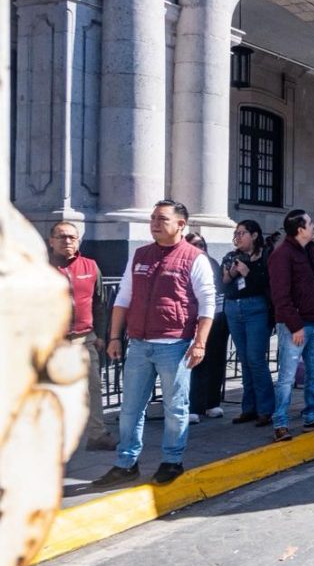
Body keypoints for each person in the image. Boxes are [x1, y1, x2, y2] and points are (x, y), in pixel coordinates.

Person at [93, 200, 215, 488]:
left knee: (175, 407)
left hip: (175, 345)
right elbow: (123, 298)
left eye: (162, 219)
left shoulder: (194, 258)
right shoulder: (140, 255)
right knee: (131, 408)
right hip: (138, 344)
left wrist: (200, 343)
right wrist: (114, 337)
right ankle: (126, 463)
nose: (154, 224)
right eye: (152, 219)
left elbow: (208, 303)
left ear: (181, 225)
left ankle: (172, 460)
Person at [268, 209, 314, 442]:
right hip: (294, 327)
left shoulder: (312, 251)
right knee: (287, 377)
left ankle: (312, 415)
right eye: (310, 223)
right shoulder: (282, 255)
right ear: (300, 229)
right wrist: (295, 325)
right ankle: (280, 422)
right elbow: (280, 296)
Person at [48, 221, 116, 451]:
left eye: (72, 237)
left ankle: (97, 434)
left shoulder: (90, 266)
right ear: (51, 241)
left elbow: (99, 302)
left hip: (84, 338)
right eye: (62, 237)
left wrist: (100, 334)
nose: (67, 241)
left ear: (78, 241)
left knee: (93, 388)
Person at [221, 220, 275, 427]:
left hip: (256, 308)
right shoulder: (231, 256)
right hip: (234, 308)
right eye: (236, 233)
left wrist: (247, 272)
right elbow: (223, 285)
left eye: (242, 233)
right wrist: (232, 273)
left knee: (255, 358)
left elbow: (266, 282)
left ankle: (266, 409)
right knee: (244, 359)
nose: (238, 237)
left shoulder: (265, 256)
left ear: (254, 235)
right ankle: (248, 407)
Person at [184, 232, 230, 425]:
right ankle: (193, 406)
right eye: (195, 245)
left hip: (216, 320)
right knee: (195, 365)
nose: (200, 248)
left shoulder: (212, 263)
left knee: (216, 362)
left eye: (202, 244)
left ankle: (212, 402)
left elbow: (219, 290)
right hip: (194, 320)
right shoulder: (186, 264)